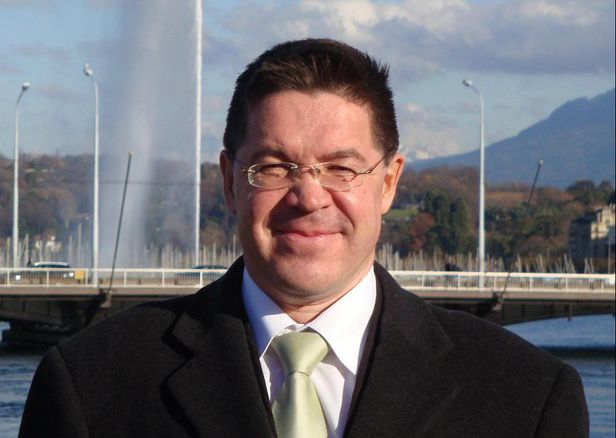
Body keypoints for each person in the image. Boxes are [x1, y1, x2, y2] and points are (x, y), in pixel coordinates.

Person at [20, 38, 588, 438]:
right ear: (229, 182)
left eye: (341, 168)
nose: (309, 196)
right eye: (273, 167)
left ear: (389, 183)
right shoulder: (91, 383)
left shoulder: (527, 396)